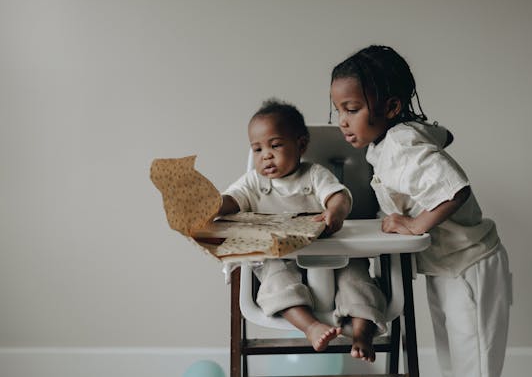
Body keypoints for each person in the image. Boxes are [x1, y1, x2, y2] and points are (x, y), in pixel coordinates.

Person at [330, 45, 512, 377]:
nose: (342, 121)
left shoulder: (402, 144)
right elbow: (445, 135)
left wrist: (416, 225)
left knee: (474, 362)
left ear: (392, 107)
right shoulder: (390, 141)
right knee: (453, 358)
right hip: (446, 265)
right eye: (338, 110)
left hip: (468, 265)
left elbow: (455, 189)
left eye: (352, 109)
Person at [217, 98, 387, 361]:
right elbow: (232, 199)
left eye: (275, 145)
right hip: (281, 258)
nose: (266, 156)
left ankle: (362, 333)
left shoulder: (315, 174)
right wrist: (214, 205)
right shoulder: (253, 182)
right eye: (258, 149)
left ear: (301, 144)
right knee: (276, 284)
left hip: (333, 257)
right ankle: (310, 326)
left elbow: (338, 196)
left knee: (357, 279)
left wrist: (336, 212)